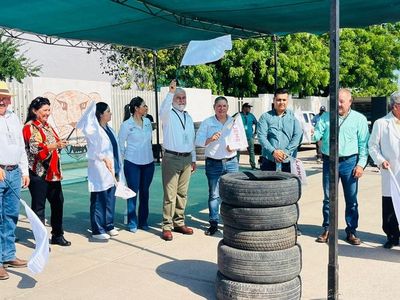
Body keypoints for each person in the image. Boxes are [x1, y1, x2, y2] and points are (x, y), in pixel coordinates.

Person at [313, 88, 369, 245]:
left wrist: (361, 165)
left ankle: (351, 231)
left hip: (349, 163)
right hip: (329, 161)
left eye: (341, 101)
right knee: (328, 198)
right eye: (336, 100)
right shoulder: (325, 117)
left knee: (351, 199)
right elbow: (316, 134)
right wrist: (310, 131)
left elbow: (363, 145)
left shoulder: (359, 119)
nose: (338, 104)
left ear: (350, 102)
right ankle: (327, 229)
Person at [23, 97, 71, 246]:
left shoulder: (47, 126)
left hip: (52, 172)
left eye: (49, 110)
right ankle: (41, 240)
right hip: (38, 173)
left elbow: (51, 145)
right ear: (34, 111)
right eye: (44, 110)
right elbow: (35, 148)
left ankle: (57, 234)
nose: (47, 113)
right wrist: (54, 145)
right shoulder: (30, 127)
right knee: (39, 207)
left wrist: (59, 145)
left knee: (58, 202)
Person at [195, 96, 239, 236]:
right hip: (213, 163)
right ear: (214, 107)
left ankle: (230, 223)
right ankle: (213, 223)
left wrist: (234, 147)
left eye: (224, 106)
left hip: (231, 162)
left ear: (227, 107)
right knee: (214, 194)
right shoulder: (207, 123)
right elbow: (198, 141)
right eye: (219, 106)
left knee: (232, 193)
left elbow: (240, 140)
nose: (221, 108)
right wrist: (210, 139)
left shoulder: (233, 122)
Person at [159, 79, 196, 241]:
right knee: (170, 194)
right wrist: (171, 92)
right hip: (171, 158)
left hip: (187, 159)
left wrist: (193, 159)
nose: (181, 100)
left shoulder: (188, 117)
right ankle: (167, 226)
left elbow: (191, 140)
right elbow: (163, 109)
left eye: (183, 98)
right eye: (178, 98)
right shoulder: (168, 114)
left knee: (182, 193)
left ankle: (179, 222)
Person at [0, 81, 30, 280]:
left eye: (7, 97)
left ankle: (8, 255)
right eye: (2, 97)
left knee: (11, 215)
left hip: (14, 172)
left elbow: (20, 145)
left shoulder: (13, 118)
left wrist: (24, 170)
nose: (5, 101)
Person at [83, 102, 121, 240]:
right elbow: (92, 151)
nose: (110, 113)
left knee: (110, 198)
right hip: (100, 170)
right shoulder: (94, 131)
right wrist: (103, 158)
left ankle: (109, 225)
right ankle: (98, 229)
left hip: (112, 169)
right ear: (100, 114)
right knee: (99, 199)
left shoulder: (109, 129)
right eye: (108, 111)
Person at [368, 91, 400, 249]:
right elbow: (372, 146)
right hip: (391, 171)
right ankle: (392, 236)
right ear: (395, 106)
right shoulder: (381, 123)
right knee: (390, 205)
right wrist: (381, 161)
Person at [119, 97, 154, 232]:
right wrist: (122, 162)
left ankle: (143, 221)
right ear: (136, 108)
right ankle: (132, 222)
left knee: (145, 192)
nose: (146, 108)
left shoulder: (147, 122)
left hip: (148, 163)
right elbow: (120, 145)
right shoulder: (126, 125)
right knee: (132, 193)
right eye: (144, 106)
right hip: (132, 163)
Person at [257, 88, 303, 172]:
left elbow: (297, 136)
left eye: (284, 100)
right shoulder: (265, 117)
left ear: (287, 101)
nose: (281, 102)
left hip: (288, 161)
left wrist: (286, 152)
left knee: (287, 185)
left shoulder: (293, 118)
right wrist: (273, 152)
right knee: (268, 185)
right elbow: (261, 137)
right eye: (279, 100)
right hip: (269, 160)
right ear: (274, 100)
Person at [237, 103, 257, 169]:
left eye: (250, 107)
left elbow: (257, 123)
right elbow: (231, 122)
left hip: (249, 137)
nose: (250, 109)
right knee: (237, 151)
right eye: (248, 107)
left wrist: (255, 133)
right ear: (244, 108)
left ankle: (253, 166)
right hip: (240, 137)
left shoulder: (251, 116)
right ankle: (236, 165)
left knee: (251, 151)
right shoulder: (238, 115)